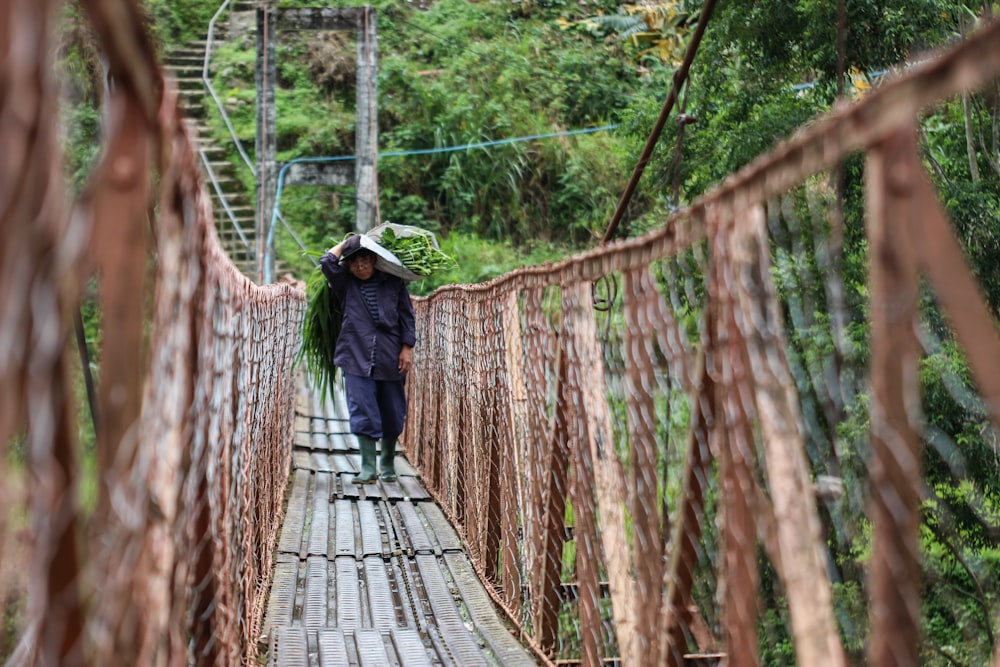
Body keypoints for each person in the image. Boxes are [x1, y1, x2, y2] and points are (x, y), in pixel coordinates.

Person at [320, 234, 416, 483]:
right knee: (362, 408)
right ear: (349, 266)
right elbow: (327, 262)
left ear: (374, 260)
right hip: (355, 354)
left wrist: (407, 348)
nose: (360, 267)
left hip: (390, 355)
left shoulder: (394, 283)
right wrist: (351, 241)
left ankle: (387, 464)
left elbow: (407, 317)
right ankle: (368, 468)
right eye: (354, 263)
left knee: (393, 410)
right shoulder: (346, 284)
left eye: (364, 260)